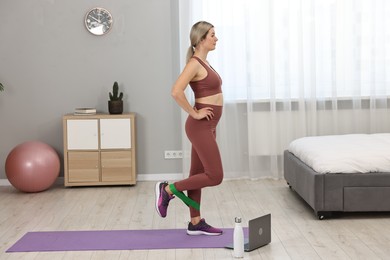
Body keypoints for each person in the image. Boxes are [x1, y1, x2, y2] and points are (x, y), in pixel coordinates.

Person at [155, 21, 224, 236]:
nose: (216, 38)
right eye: (212, 35)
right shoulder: (194, 63)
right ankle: (168, 189)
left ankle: (195, 222)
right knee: (215, 176)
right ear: (201, 39)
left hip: (208, 126)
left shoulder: (205, 63)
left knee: (197, 174)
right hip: (199, 126)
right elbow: (176, 91)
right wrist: (194, 113)